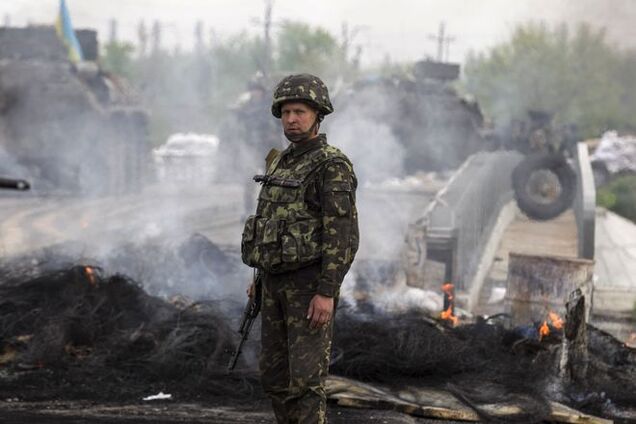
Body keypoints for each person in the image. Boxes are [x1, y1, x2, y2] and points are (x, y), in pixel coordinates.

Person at [240, 73, 359, 423]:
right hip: (274, 286)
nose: (292, 119)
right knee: (275, 378)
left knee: (305, 384)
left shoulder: (331, 165)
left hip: (308, 288)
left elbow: (342, 234)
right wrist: (259, 277)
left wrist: (327, 291)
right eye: (287, 112)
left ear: (317, 115)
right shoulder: (279, 160)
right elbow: (269, 222)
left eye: (300, 112)